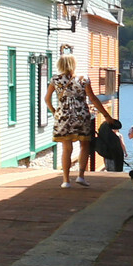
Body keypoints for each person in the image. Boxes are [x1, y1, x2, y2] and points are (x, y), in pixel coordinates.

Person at [46, 51, 105, 188]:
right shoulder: (83, 79)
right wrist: (106, 116)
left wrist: (55, 111)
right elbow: (93, 98)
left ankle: (66, 180)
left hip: (63, 116)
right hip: (81, 115)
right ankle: (81, 176)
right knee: (84, 145)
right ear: (74, 64)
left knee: (67, 148)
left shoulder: (55, 80)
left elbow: (47, 99)